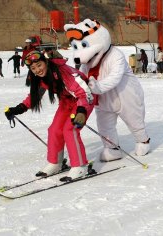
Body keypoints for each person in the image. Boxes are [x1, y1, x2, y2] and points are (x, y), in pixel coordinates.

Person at [64, 19, 151, 162]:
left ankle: (143, 140)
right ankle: (112, 148)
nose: (80, 54)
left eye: (85, 45)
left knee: (134, 120)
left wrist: (97, 87)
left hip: (125, 96)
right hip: (103, 100)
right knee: (104, 125)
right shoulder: (88, 62)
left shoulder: (116, 55)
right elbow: (82, 78)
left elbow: (114, 77)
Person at [4, 51, 95, 181]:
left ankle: (80, 166)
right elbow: (34, 97)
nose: (37, 70)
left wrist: (81, 111)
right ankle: (55, 163)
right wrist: (18, 109)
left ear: (46, 62)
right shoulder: (40, 78)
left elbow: (84, 92)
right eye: (33, 68)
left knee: (70, 129)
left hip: (84, 99)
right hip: (67, 101)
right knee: (54, 130)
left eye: (39, 65)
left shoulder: (63, 72)